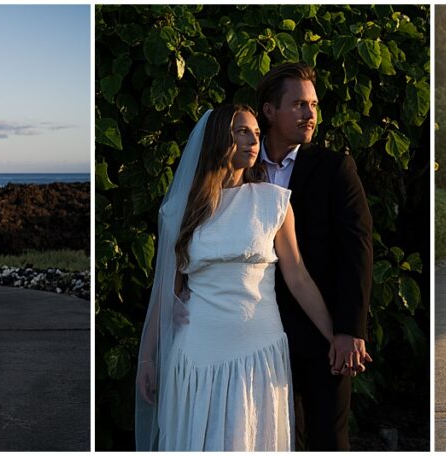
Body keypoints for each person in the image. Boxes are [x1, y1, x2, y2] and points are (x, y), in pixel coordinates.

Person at [134, 104, 337, 451]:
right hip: (198, 354)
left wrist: (337, 336)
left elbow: (298, 277)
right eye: (243, 131)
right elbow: (167, 292)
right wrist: (147, 359)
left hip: (259, 353)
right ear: (218, 138)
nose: (253, 140)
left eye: (257, 133)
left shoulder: (274, 203)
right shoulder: (179, 212)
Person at [257, 62, 374, 451]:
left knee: (328, 438)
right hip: (255, 332)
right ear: (269, 111)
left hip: (324, 332)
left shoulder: (334, 168)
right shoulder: (240, 170)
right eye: (299, 105)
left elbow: (357, 252)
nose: (310, 114)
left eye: (313, 105)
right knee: (272, 437)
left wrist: (348, 330)